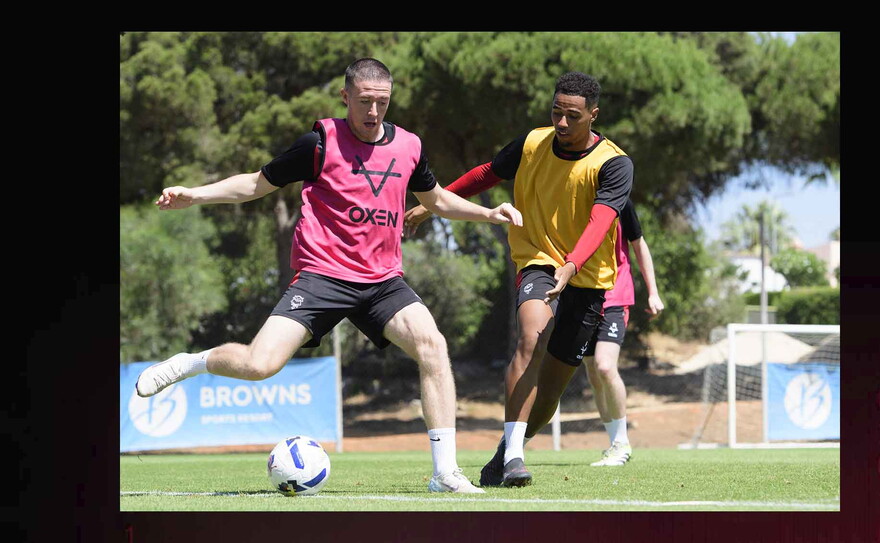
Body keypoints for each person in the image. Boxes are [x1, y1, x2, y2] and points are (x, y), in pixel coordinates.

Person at [135, 58, 523, 494]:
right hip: (323, 275)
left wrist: (489, 213)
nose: (373, 111)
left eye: (382, 102)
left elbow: (436, 200)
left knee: (432, 345)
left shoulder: (410, 146)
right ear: (345, 97)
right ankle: (191, 363)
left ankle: (445, 472)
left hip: (382, 281)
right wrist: (195, 195)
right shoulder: (319, 143)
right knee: (260, 364)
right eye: (364, 101)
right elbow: (255, 184)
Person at [404, 71, 632, 487]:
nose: (561, 122)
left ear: (593, 115)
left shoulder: (614, 163)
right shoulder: (532, 143)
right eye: (556, 112)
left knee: (552, 389)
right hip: (538, 261)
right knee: (531, 338)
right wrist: (433, 203)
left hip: (588, 279)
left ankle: (502, 455)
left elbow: (601, 221)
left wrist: (572, 265)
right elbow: (486, 174)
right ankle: (514, 457)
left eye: (573, 116)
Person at [581, 202, 664, 467]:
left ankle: (621, 443)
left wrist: (653, 292)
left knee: (605, 366)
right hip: (582, 297)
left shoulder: (620, 201)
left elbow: (639, 244)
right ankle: (613, 443)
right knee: (593, 374)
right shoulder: (571, 199)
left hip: (615, 296)